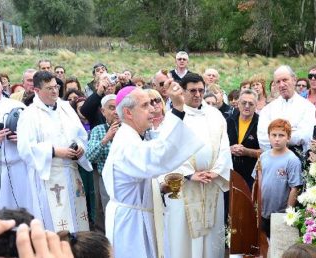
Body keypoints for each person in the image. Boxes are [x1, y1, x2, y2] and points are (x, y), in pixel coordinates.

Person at [102, 83, 204, 258]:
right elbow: (158, 156)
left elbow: (139, 178)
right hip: (131, 225)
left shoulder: (132, 137)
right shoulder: (126, 142)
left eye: (151, 104)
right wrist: (178, 109)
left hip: (136, 217)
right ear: (128, 112)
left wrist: (159, 187)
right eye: (145, 105)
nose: (153, 110)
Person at [162, 73, 232, 258]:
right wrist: (188, 175)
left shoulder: (215, 115)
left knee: (210, 240)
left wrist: (216, 172)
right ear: (183, 92)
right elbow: (168, 151)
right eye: (192, 90)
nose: (198, 94)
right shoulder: (174, 117)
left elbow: (224, 148)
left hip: (210, 185)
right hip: (185, 187)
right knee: (184, 240)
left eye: (201, 90)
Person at [17, 71, 93, 233]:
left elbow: (81, 135)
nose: (54, 91)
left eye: (56, 86)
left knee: (78, 222)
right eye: (49, 88)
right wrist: (53, 151)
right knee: (57, 223)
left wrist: (80, 148)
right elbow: (25, 148)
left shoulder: (66, 108)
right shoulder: (29, 114)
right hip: (50, 175)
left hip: (72, 173)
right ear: (37, 90)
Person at [256, 119, 303, 238]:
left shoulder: (292, 160)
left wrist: (288, 213)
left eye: (281, 135)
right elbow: (257, 180)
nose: (277, 139)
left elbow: (294, 188)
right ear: (269, 136)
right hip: (262, 211)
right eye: (274, 135)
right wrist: (255, 204)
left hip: (280, 214)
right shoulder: (263, 156)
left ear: (288, 138)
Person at [257, 65, 316, 155]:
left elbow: (306, 135)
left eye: (285, 80)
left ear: (294, 80)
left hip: (298, 158)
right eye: (278, 82)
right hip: (273, 158)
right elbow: (263, 138)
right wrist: (292, 131)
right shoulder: (267, 110)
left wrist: (275, 135)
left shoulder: (308, 107)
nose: (281, 85)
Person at [0, 72, 32, 211]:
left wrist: (22, 138)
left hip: (18, 165)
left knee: (22, 207)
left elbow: (33, 133)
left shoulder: (17, 106)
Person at [86, 94, 119, 218]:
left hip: (130, 180)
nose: (116, 111)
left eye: (118, 107)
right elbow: (90, 156)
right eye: (111, 108)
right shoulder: (98, 130)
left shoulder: (130, 128)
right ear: (103, 111)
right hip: (107, 180)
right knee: (111, 215)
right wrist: (106, 139)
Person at [227, 89, 260, 189]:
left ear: (256, 105)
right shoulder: (229, 120)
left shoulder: (261, 123)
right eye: (244, 103)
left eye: (251, 104)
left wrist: (247, 152)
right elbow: (219, 146)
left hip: (251, 174)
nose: (246, 106)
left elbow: (267, 152)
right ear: (238, 104)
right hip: (230, 171)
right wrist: (230, 149)